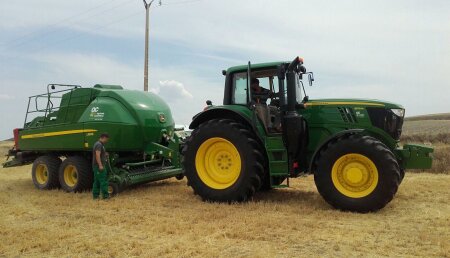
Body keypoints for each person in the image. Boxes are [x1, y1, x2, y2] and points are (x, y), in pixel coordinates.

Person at [92, 133, 110, 199]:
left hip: (96, 166)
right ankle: (105, 196)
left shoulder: (99, 144)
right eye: (107, 139)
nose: (107, 141)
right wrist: (100, 165)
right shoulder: (99, 144)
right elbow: (97, 155)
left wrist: (105, 154)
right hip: (98, 166)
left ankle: (95, 196)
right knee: (103, 181)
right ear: (104, 137)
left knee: (96, 181)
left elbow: (100, 154)